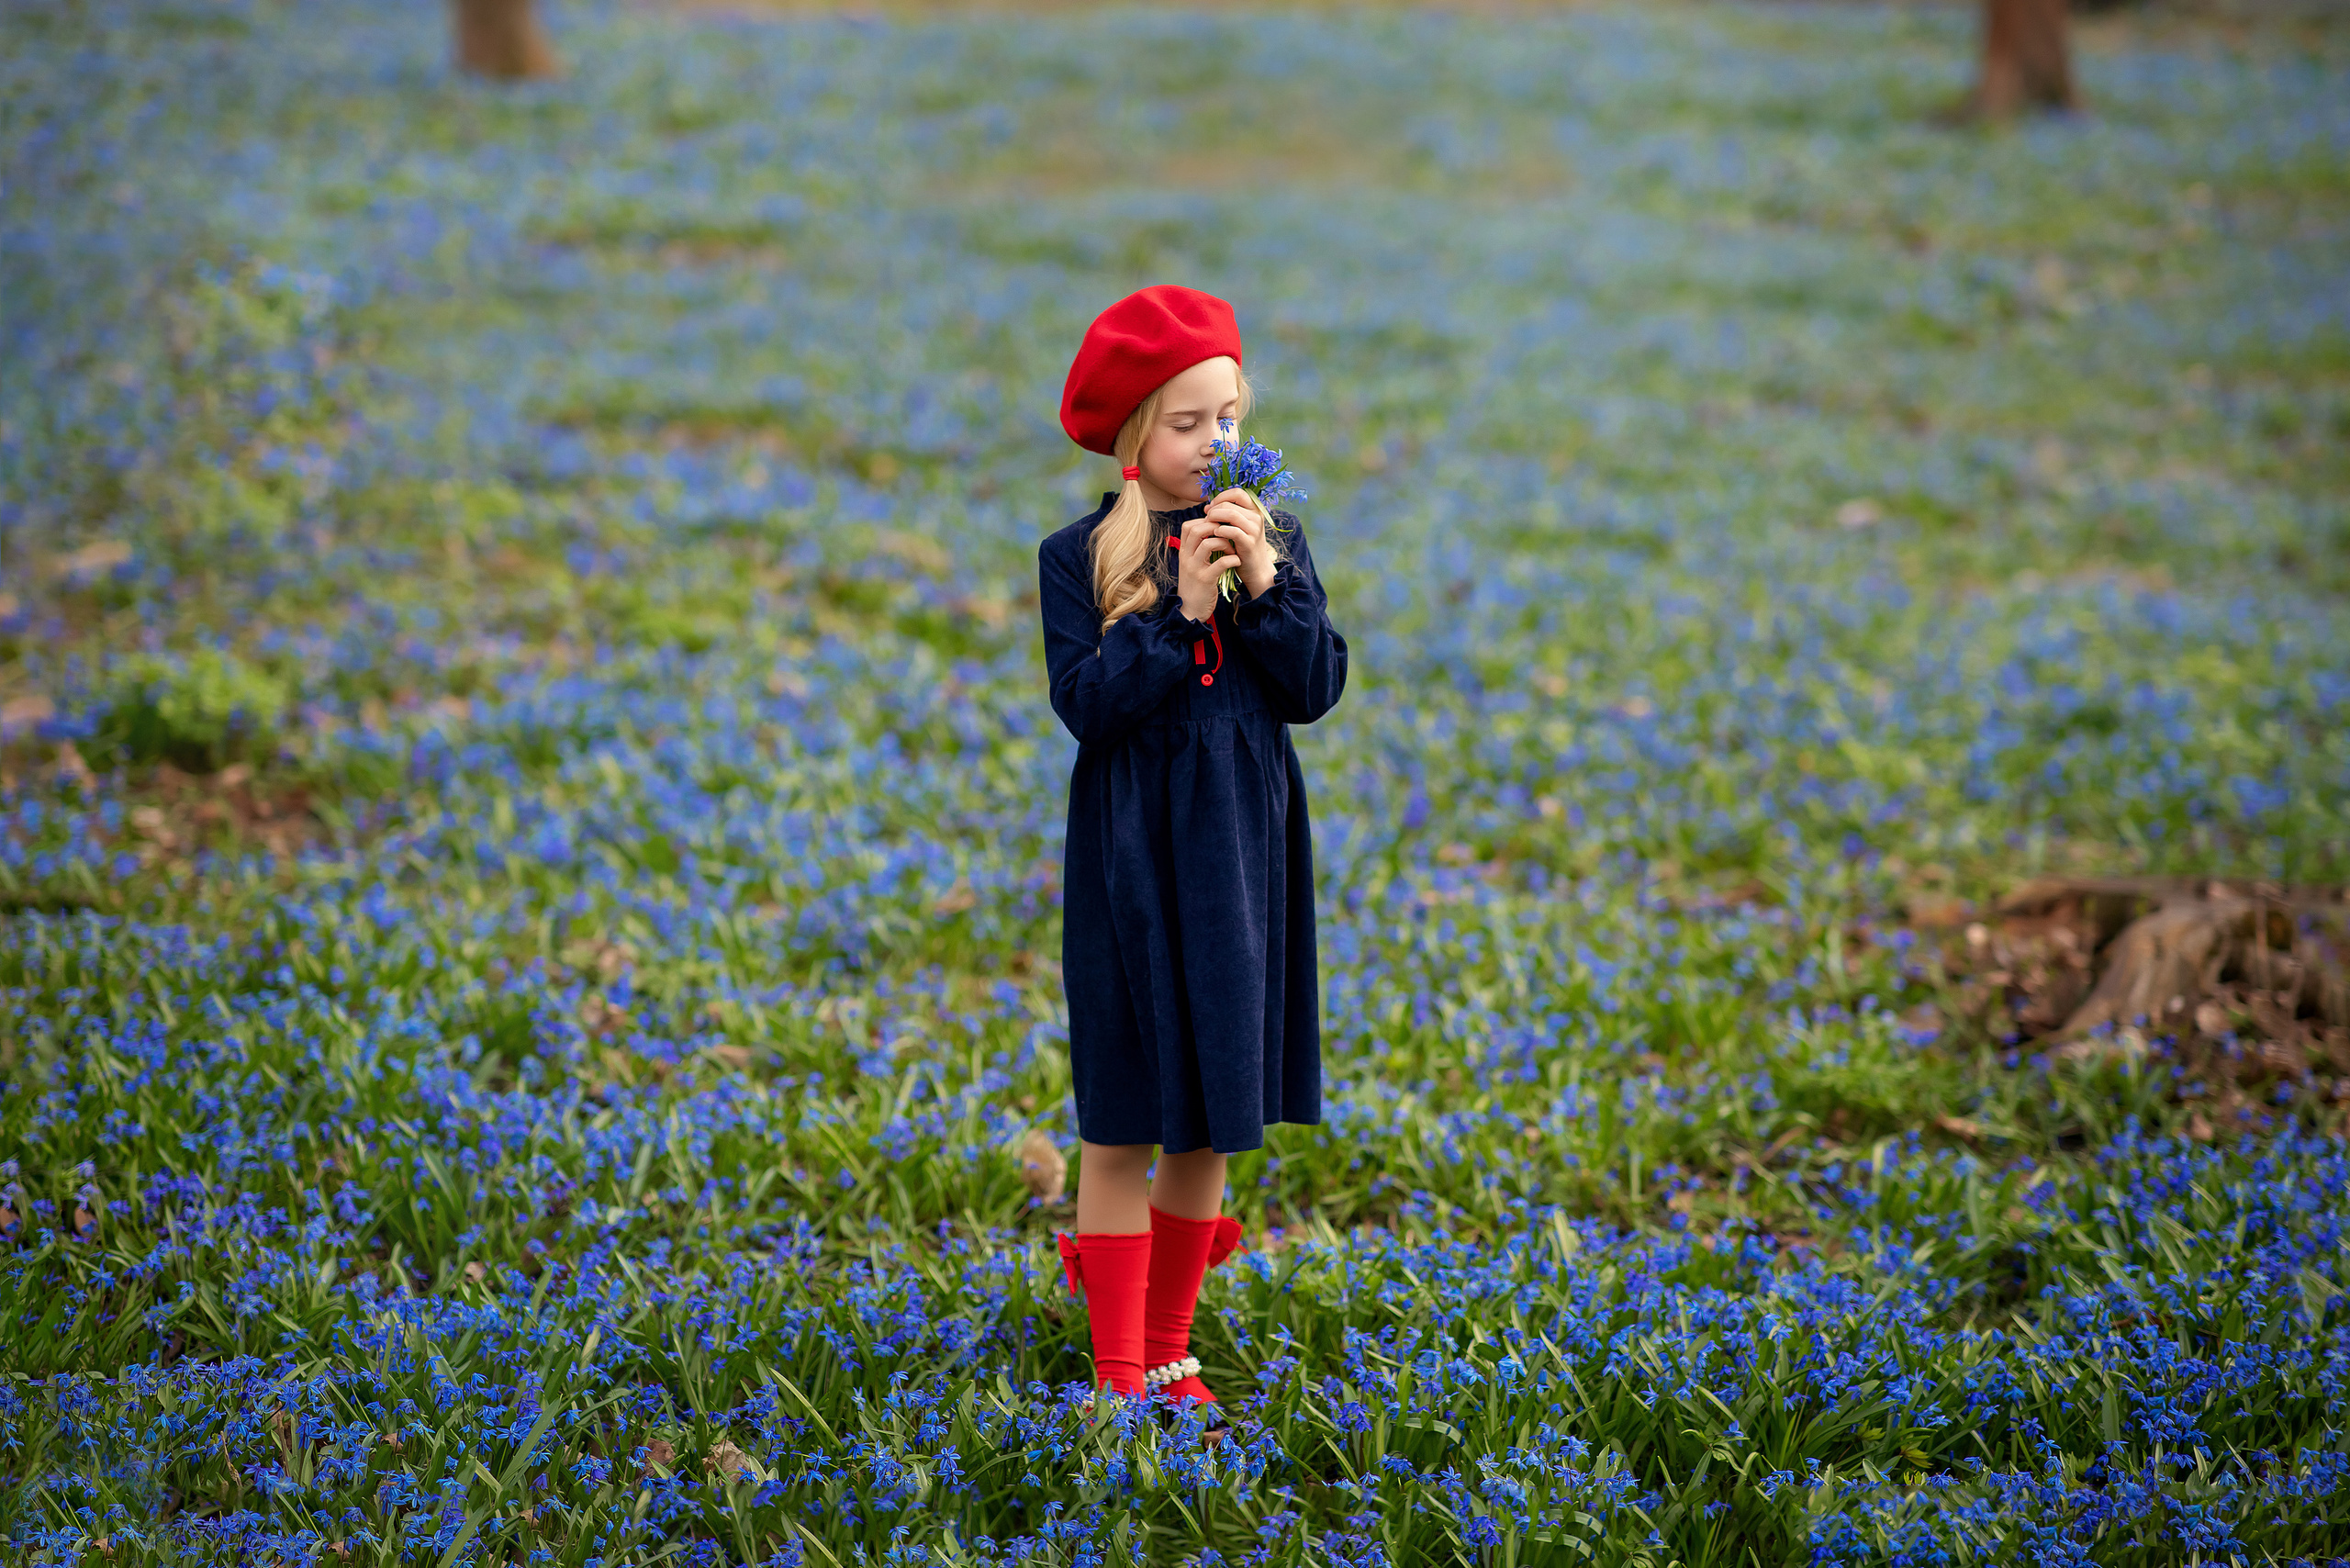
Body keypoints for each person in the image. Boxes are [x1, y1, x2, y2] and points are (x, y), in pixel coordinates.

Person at [1036, 285, 1348, 1419]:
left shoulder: (1276, 538)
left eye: (1228, 419)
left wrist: (1263, 585)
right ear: (1131, 438)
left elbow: (1312, 688)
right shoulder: (1077, 557)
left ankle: (1170, 1349)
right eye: (1186, 424)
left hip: (1239, 854)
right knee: (1124, 1112)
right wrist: (1176, 610)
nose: (1216, 446)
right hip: (1129, 859)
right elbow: (1089, 707)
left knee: (1213, 1108)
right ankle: (1116, 1370)